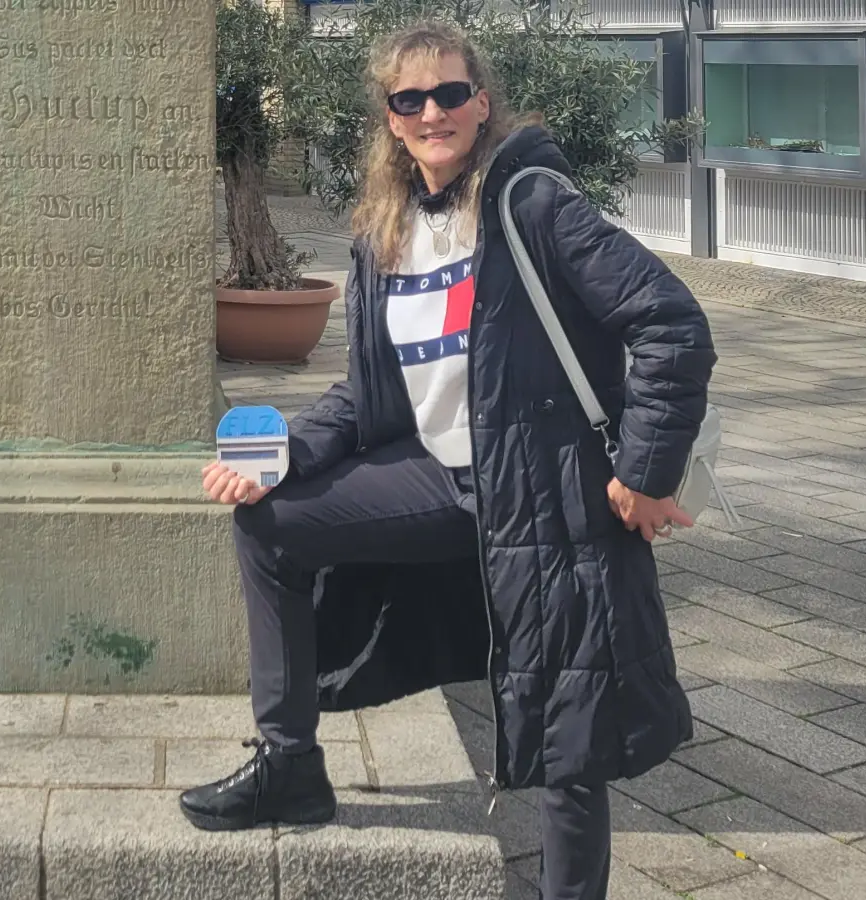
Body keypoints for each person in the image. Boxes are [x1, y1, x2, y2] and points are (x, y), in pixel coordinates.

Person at [178, 20, 714, 900]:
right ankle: (290, 763)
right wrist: (284, 457)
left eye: (450, 94)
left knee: (567, 725)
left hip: (548, 493)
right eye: (411, 100)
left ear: (482, 103)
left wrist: (647, 473)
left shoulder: (529, 204)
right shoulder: (382, 233)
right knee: (269, 523)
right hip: (443, 481)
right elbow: (366, 393)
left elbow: (670, 324)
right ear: (391, 120)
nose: (434, 113)